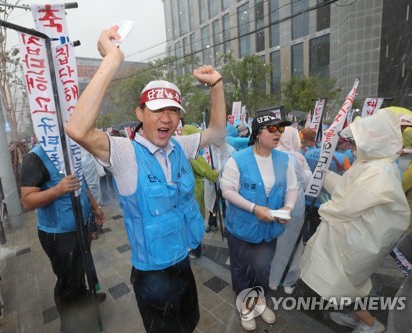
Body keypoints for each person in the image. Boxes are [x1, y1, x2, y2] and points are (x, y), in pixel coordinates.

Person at [65, 26, 226, 333]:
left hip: (183, 263)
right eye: (156, 110)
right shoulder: (125, 153)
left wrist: (216, 85)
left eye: (173, 111)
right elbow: (78, 129)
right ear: (139, 113)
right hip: (152, 276)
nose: (165, 118)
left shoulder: (180, 145)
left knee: (190, 324)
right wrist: (113, 58)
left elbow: (217, 132)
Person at [300, 109, 410, 333]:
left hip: (357, 240)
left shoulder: (379, 171)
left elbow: (346, 205)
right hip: (353, 236)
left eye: (355, 141)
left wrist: (324, 206)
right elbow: (347, 189)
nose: (351, 146)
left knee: (346, 283)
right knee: (347, 283)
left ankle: (371, 324)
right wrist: (325, 176)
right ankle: (353, 315)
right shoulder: (372, 162)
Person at [220, 112, 298, 331]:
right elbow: (227, 190)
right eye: (272, 129)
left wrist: (287, 208)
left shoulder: (284, 160)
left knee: (263, 268)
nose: (278, 134)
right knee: (241, 269)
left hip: (269, 229)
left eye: (280, 129)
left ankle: (260, 301)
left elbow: (292, 188)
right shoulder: (238, 159)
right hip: (242, 229)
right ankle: (245, 305)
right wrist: (254, 208)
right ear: (257, 132)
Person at [20, 144, 105, 333]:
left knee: (81, 269)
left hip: (81, 226)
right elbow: (27, 200)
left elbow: (81, 184)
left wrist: (94, 207)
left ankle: (84, 300)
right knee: (67, 280)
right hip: (58, 234)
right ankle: (70, 324)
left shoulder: (70, 151)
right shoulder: (35, 159)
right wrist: (58, 189)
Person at [269, 126, 312, 294]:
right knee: (293, 245)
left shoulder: (269, 155)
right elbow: (306, 181)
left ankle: (272, 280)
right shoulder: (297, 158)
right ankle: (289, 280)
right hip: (294, 209)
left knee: (274, 245)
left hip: (272, 208)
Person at [181, 125, 220, 259]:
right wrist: (216, 172)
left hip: (182, 195)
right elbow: (209, 174)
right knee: (195, 222)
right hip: (194, 193)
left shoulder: (178, 151)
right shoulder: (195, 154)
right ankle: (195, 250)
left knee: (186, 222)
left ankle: (188, 248)